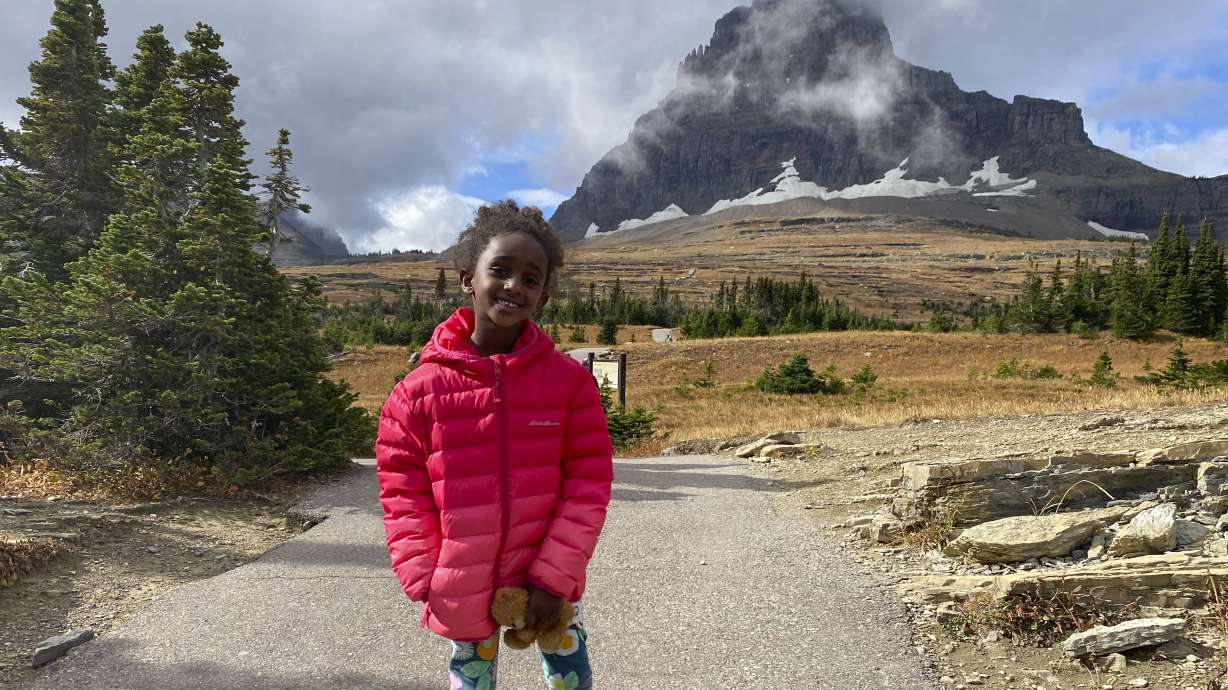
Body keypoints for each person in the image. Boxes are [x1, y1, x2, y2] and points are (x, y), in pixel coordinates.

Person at [375, 200, 614, 690]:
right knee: (471, 680)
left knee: (569, 677)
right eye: (500, 270)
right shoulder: (417, 392)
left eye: (531, 279)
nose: (514, 286)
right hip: (462, 576)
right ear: (468, 278)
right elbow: (403, 491)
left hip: (550, 573)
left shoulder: (569, 383)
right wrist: (424, 574)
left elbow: (588, 484)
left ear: (543, 295)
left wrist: (554, 576)